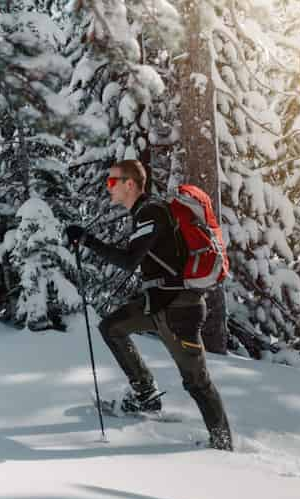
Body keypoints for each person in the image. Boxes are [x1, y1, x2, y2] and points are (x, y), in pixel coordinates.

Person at [64, 160, 234, 451]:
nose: (108, 187)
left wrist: (87, 240)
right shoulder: (147, 212)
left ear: (129, 184)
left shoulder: (151, 212)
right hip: (158, 304)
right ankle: (146, 395)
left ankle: (222, 444)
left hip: (179, 310)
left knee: (197, 382)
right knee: (112, 327)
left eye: (112, 182)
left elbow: (129, 260)